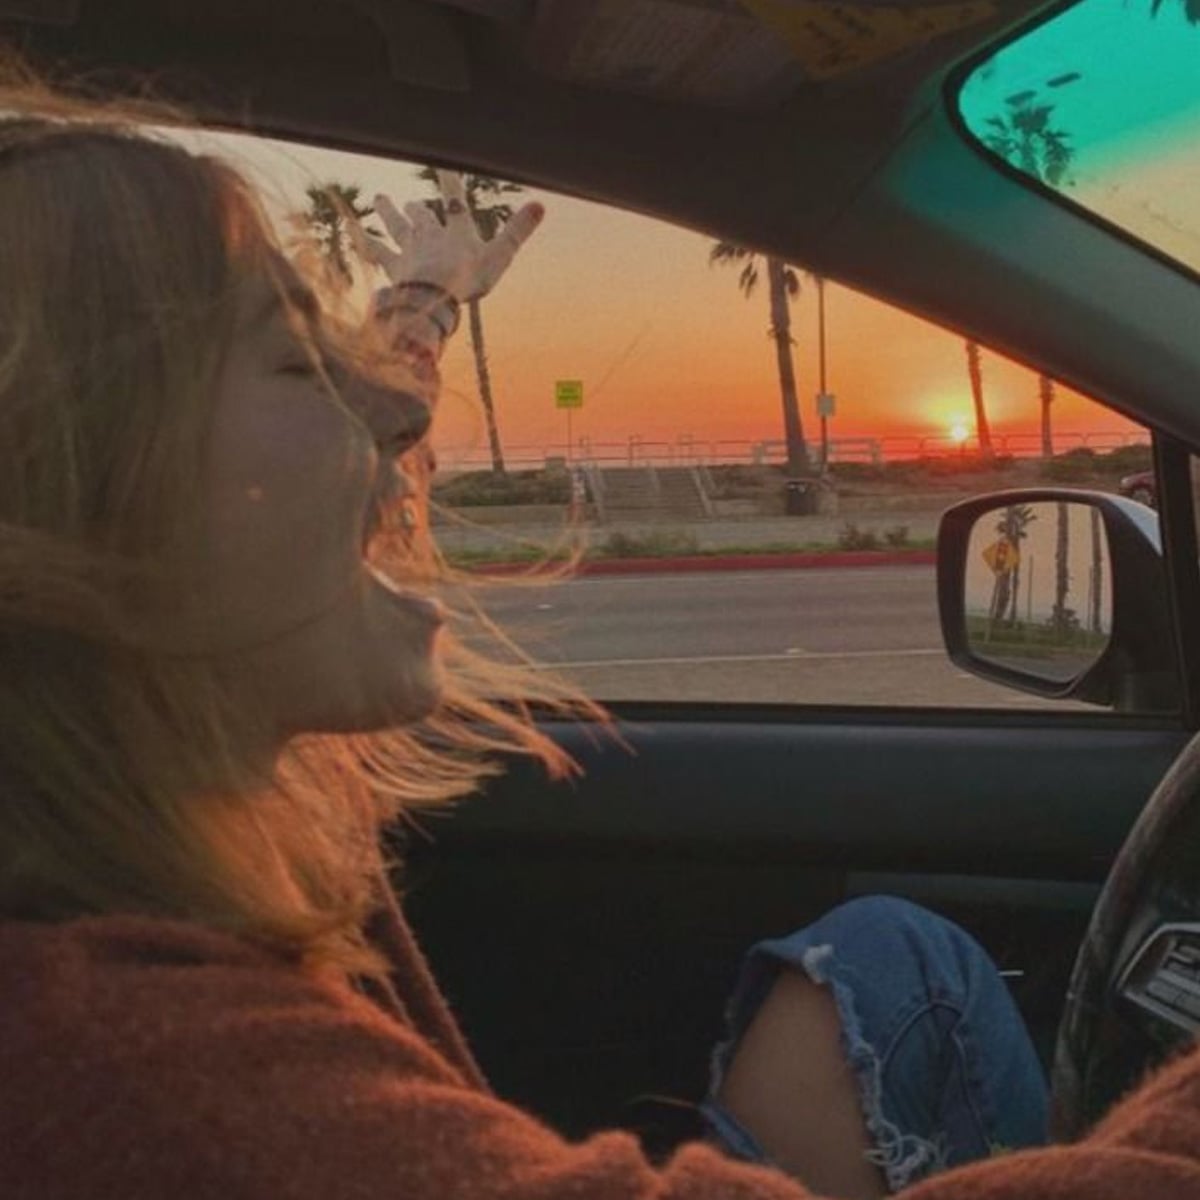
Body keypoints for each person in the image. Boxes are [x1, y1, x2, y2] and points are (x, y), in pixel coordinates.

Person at [2, 72, 1200, 1200]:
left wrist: (423, 301)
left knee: (889, 953)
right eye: (291, 360)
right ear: (72, 513)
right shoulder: (127, 1064)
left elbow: (294, 505)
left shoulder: (174, 852)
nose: (401, 409)